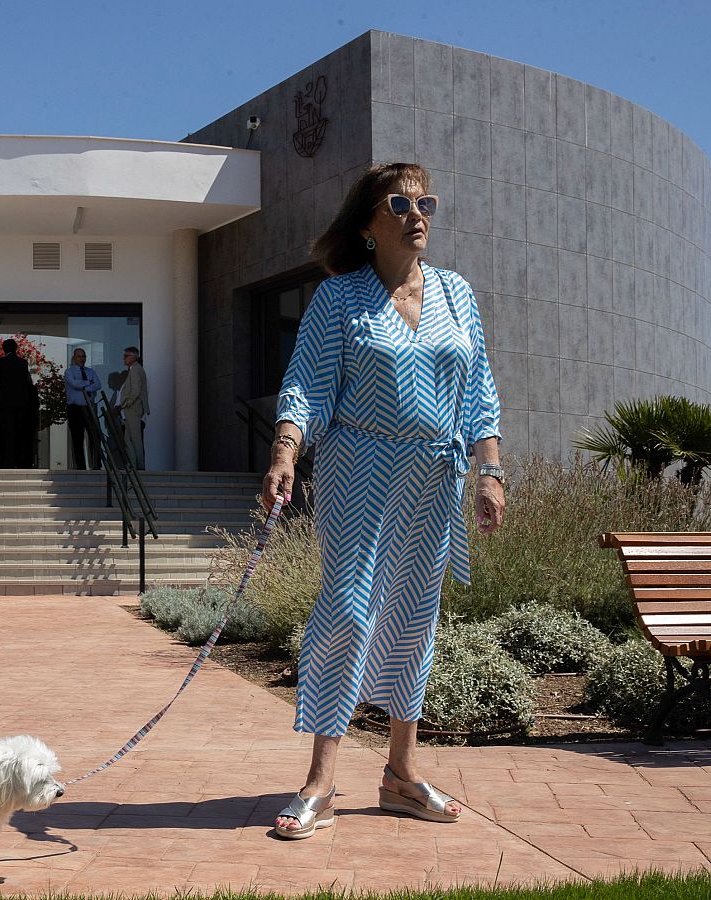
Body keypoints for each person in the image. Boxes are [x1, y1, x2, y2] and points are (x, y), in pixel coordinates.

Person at [265, 163, 506, 839]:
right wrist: (285, 449)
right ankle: (320, 780)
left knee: (413, 617)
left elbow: (481, 390)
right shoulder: (338, 300)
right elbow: (306, 385)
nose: (417, 213)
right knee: (346, 609)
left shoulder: (457, 294)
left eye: (426, 200)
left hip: (434, 477)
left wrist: (491, 472)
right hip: (360, 466)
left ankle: (401, 773)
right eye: (399, 203)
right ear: (368, 225)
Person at [0, 338, 36, 468]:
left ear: (4, 349)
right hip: (21, 402)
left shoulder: (1, 362)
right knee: (20, 431)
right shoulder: (22, 362)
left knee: (7, 432)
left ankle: (8, 460)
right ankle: (20, 459)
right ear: (16, 349)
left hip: (5, 402)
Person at [63, 348, 101, 470]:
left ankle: (96, 464)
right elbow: (74, 384)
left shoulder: (90, 372)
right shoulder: (69, 372)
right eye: (79, 356)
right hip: (75, 408)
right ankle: (80, 466)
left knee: (94, 436)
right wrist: (88, 383)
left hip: (89, 407)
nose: (82, 359)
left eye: (84, 356)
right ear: (74, 358)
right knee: (77, 438)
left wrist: (85, 387)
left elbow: (98, 384)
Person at [117, 346, 149, 469]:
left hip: (133, 410)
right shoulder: (134, 370)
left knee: (135, 439)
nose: (123, 358)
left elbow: (136, 390)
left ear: (133, 357)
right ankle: (133, 464)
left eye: (126, 356)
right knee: (128, 439)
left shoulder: (135, 370)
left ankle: (139, 467)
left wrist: (125, 404)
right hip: (131, 410)